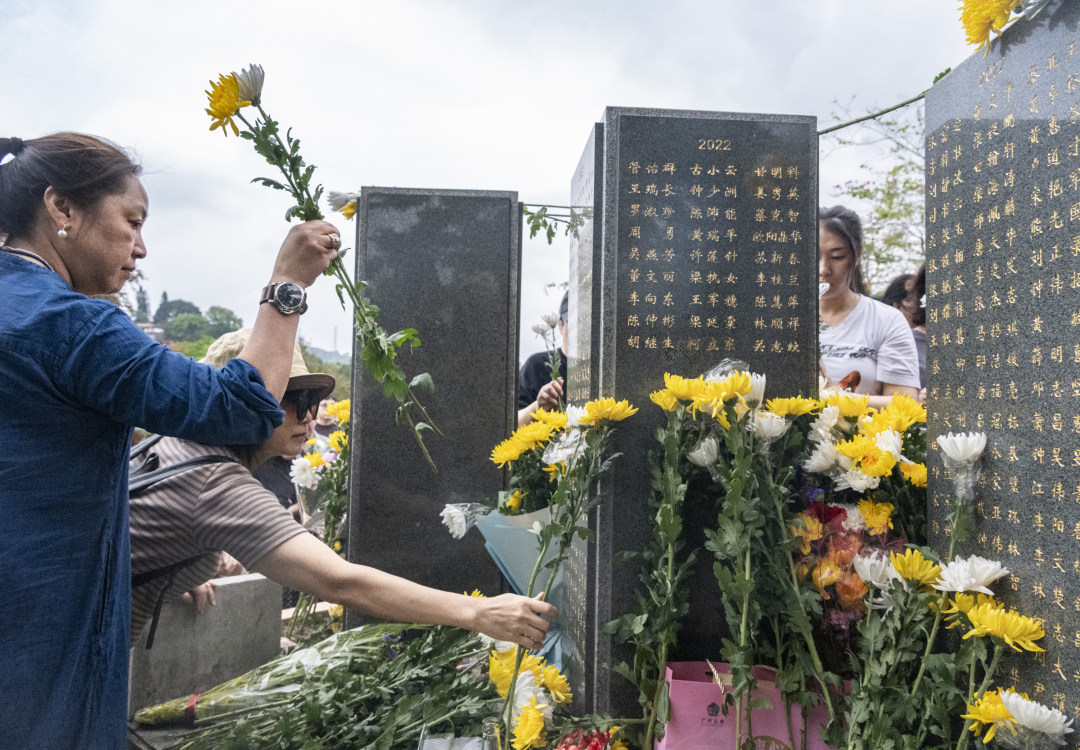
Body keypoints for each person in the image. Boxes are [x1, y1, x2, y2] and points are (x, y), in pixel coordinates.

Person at [0, 133, 339, 749]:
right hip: (39, 639)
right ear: (62, 208)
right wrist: (287, 284)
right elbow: (241, 405)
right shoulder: (72, 324)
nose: (140, 247)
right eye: (131, 221)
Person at [129, 329, 557, 650]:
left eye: (313, 400)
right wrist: (479, 612)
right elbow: (340, 582)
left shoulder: (177, 446)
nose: (310, 415)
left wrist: (176, 570)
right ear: (238, 400)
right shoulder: (216, 481)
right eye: (293, 398)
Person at [817, 205, 920, 409]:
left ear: (857, 256)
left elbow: (905, 403)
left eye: (837, 257)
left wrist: (834, 399)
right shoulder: (784, 320)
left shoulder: (885, 320)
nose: (823, 270)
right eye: (814, 256)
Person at [517, 290, 568, 425]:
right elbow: (511, 423)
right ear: (560, 326)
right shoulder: (536, 365)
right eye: (573, 321)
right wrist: (538, 406)